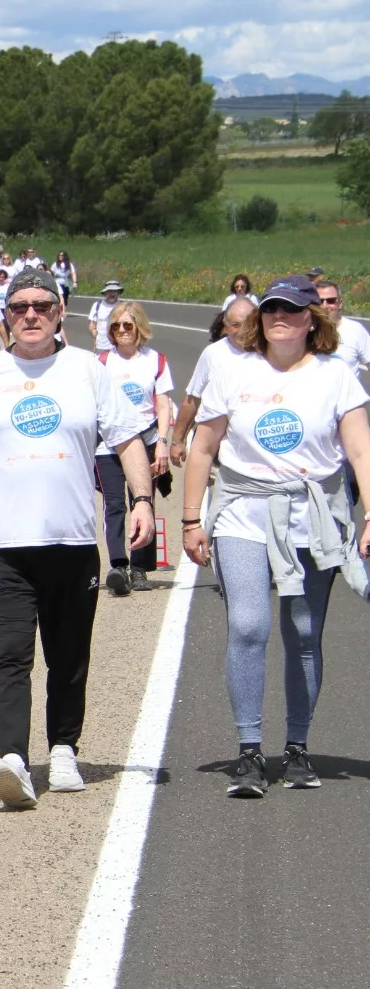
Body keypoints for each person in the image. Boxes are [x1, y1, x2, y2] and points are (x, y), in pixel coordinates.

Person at [0, 268, 153, 809]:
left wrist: (142, 500)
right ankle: (14, 758)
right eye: (20, 307)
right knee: (10, 651)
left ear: (60, 312)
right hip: (4, 548)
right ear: (7, 315)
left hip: (69, 541)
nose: (31, 315)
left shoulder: (87, 370)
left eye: (42, 305)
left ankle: (63, 747)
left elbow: (128, 438)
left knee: (68, 653)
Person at [181, 275, 370, 798]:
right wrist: (192, 519)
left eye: (291, 309)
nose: (278, 317)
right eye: (270, 310)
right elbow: (203, 448)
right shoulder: (233, 370)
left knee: (304, 633)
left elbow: (360, 451)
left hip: (311, 516)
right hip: (242, 510)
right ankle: (248, 752)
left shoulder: (337, 376)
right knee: (247, 625)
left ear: (313, 319)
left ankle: (298, 747)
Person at [95, 302, 173, 596]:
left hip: (146, 439)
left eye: (127, 325)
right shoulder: (102, 361)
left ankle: (140, 567)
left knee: (143, 501)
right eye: (116, 326)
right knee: (113, 505)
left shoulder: (155, 360)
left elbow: (163, 405)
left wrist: (163, 443)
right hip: (109, 444)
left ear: (139, 327)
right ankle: (118, 564)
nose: (122, 331)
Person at [169, 301, 253, 468]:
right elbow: (193, 398)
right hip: (215, 447)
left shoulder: (268, 352)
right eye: (236, 325)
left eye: (249, 324)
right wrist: (178, 440)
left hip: (250, 451)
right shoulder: (213, 353)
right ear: (226, 326)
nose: (243, 330)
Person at [88, 279, 123, 352]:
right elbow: (92, 323)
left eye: (115, 291)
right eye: (109, 291)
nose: (112, 294)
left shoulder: (122, 306)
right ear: (105, 292)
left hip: (118, 346)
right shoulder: (97, 305)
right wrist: (93, 330)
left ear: (118, 292)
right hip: (101, 346)